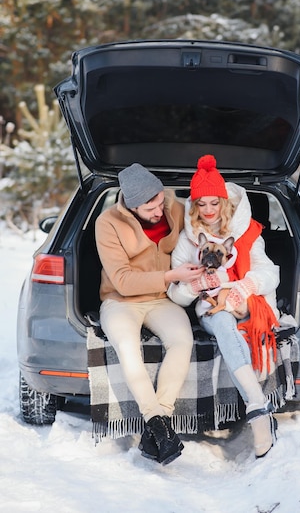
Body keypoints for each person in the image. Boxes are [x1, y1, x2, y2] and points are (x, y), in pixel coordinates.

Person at [168, 155, 281, 459]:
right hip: (210, 308)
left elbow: (271, 273)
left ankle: (257, 409)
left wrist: (245, 287)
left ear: (225, 202)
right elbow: (175, 296)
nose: (207, 211)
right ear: (193, 206)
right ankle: (258, 409)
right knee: (223, 324)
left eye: (213, 203)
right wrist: (192, 287)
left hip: (245, 305)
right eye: (200, 204)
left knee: (232, 320)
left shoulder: (246, 234)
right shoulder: (188, 240)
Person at [95, 163, 205, 465]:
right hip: (120, 301)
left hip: (162, 299)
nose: (159, 210)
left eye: (160, 201)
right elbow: (123, 281)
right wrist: (172, 275)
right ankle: (155, 420)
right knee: (128, 346)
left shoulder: (174, 207)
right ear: (132, 207)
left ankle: (160, 421)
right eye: (151, 208)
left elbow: (207, 227)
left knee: (182, 341)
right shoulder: (108, 223)